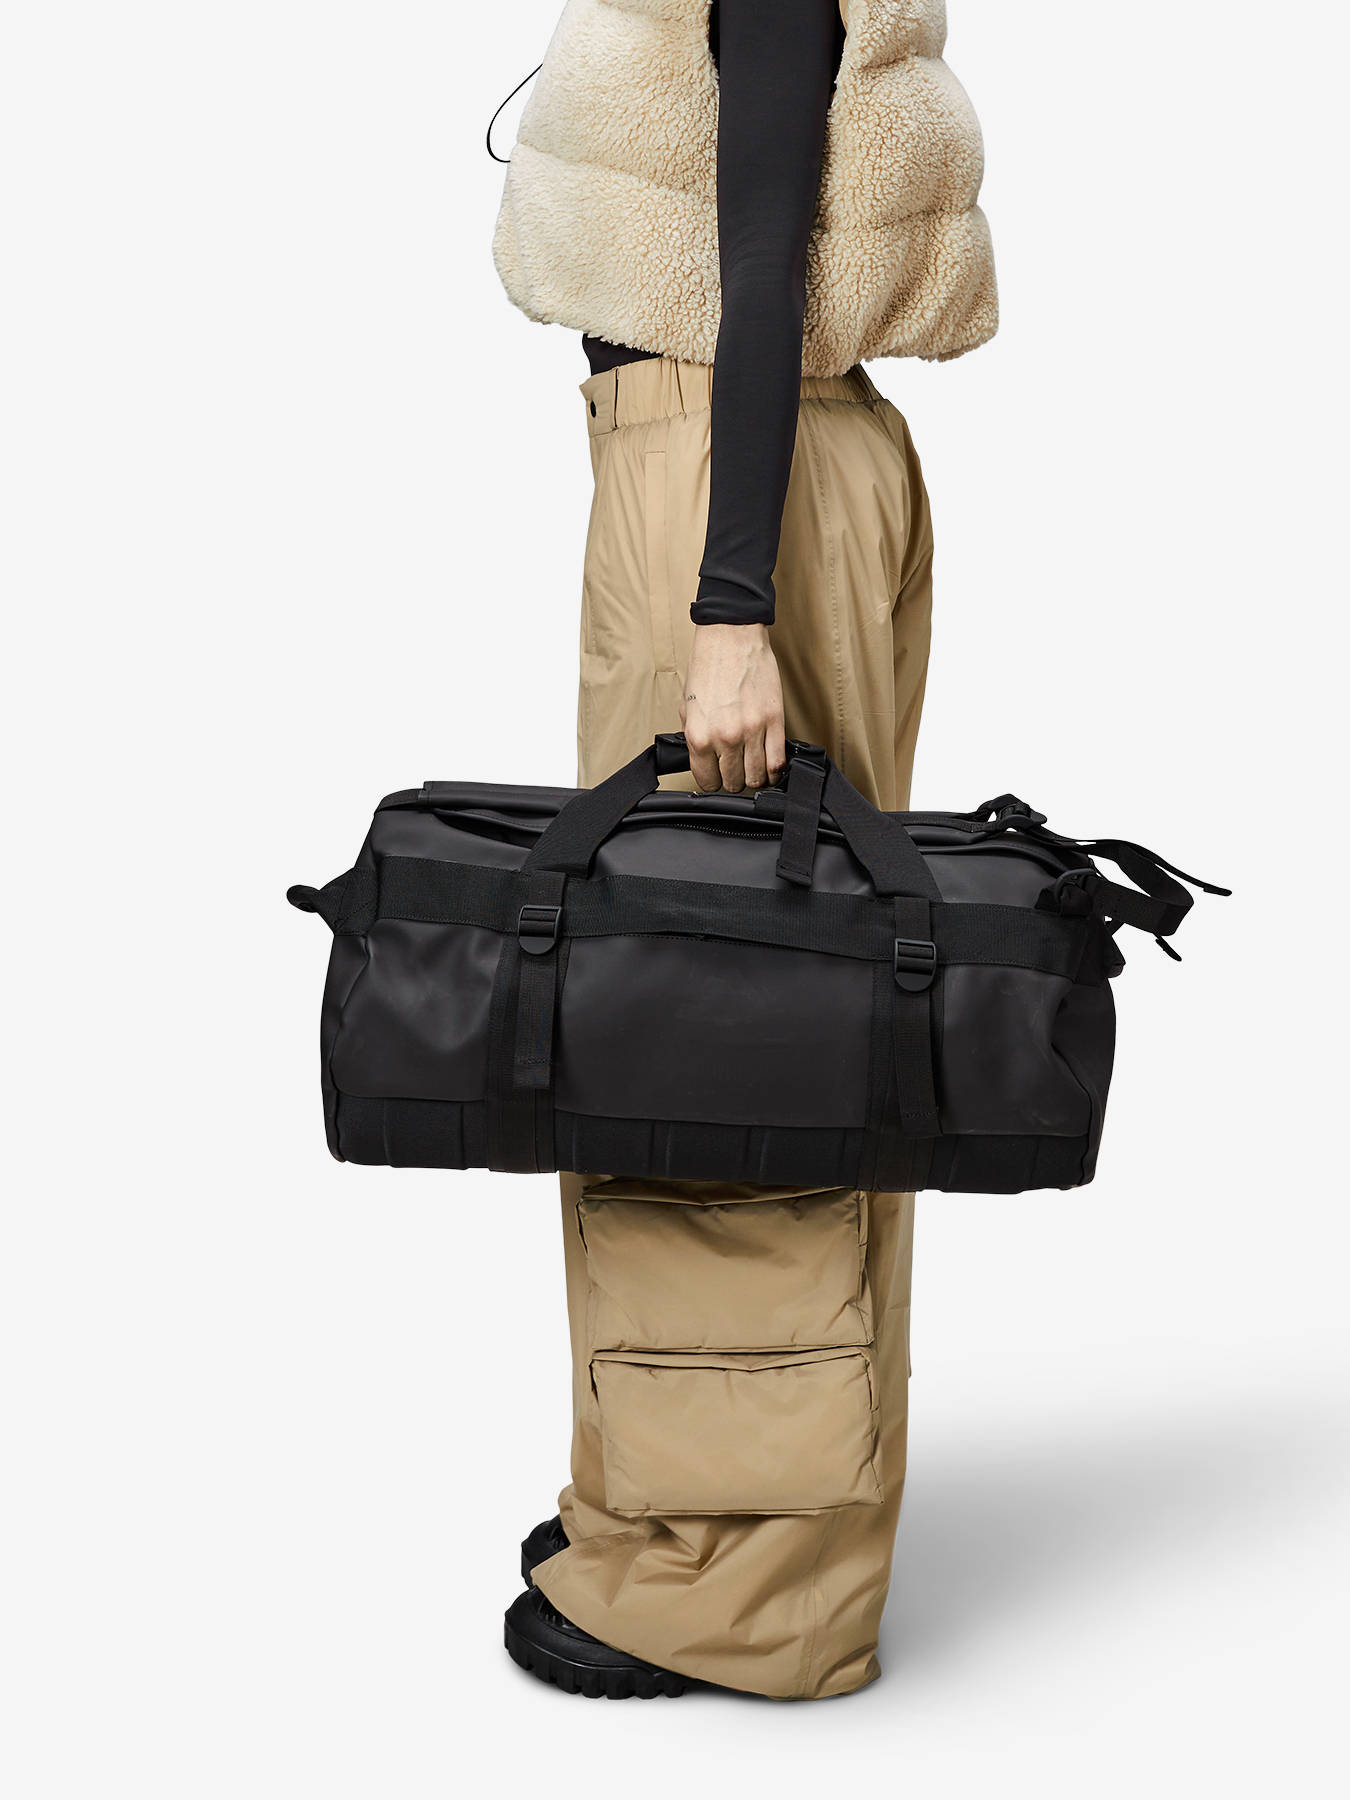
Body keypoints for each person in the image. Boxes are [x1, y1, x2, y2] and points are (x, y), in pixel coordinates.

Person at [489, 0, 996, 1699]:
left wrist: (728, 610)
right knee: (714, 1006)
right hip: (744, 464)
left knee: (722, 1018)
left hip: (735, 484)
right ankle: (672, 1506)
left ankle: (747, 1592)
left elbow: (757, 268)